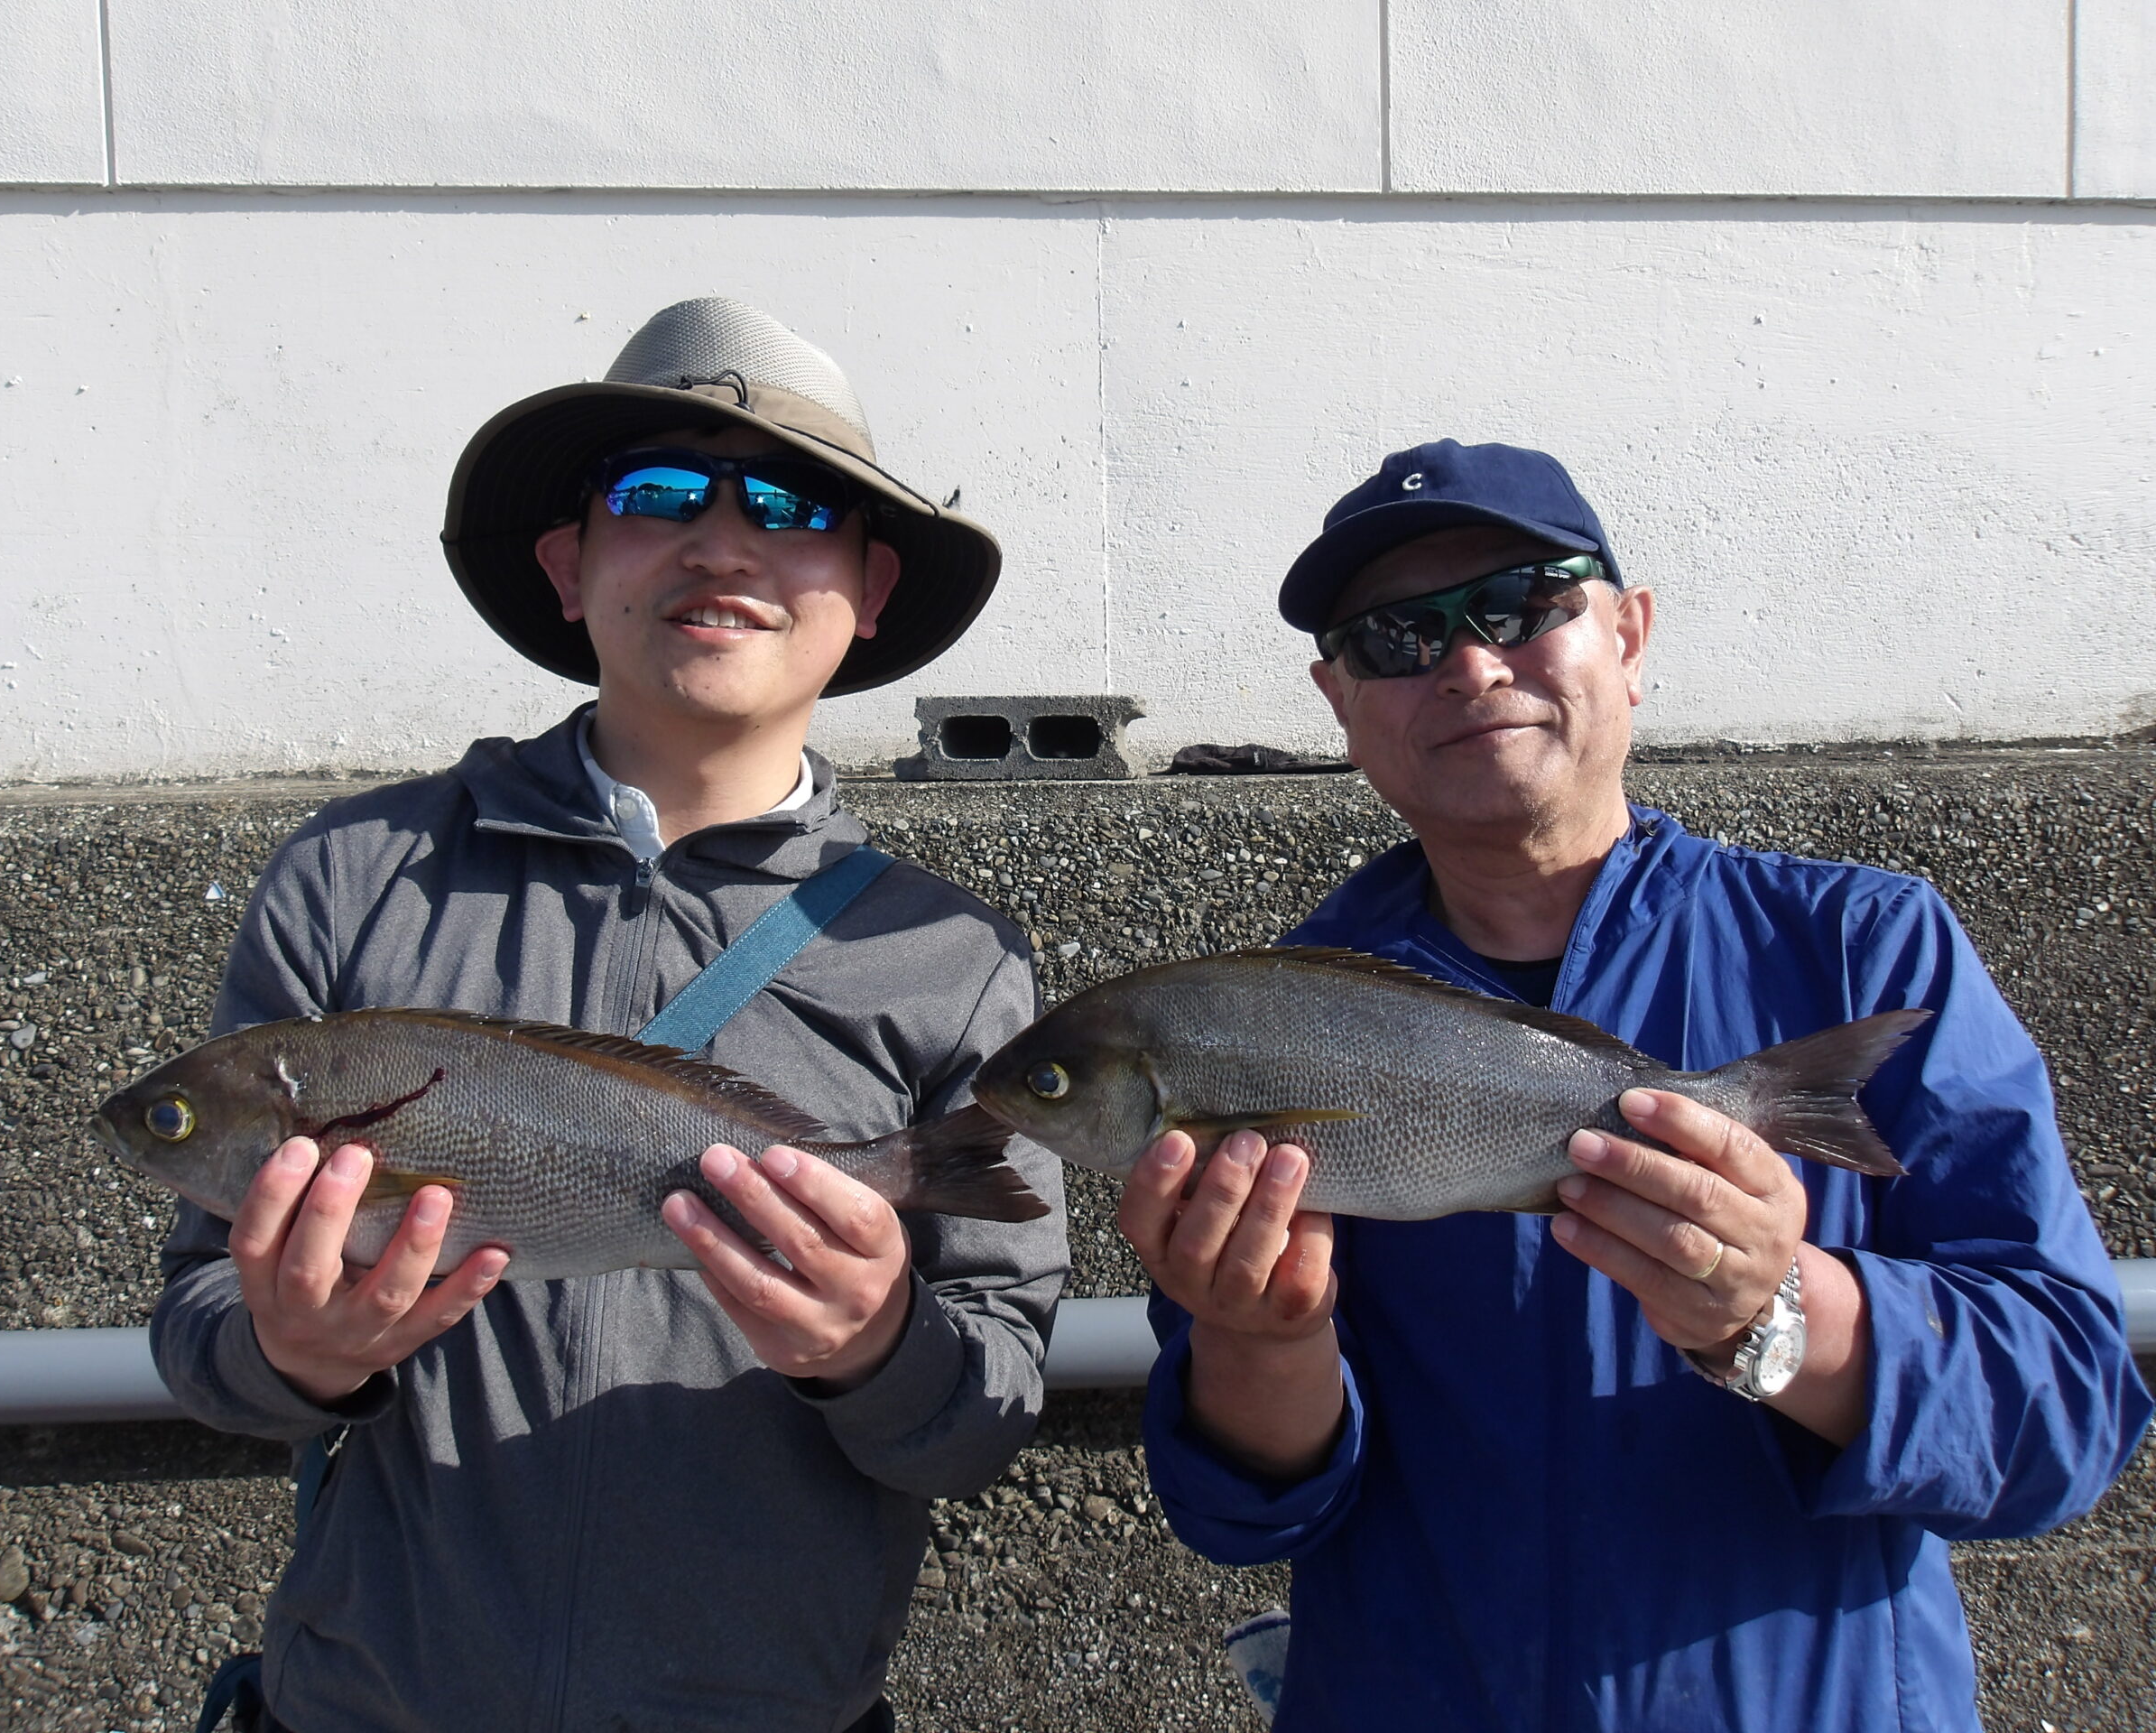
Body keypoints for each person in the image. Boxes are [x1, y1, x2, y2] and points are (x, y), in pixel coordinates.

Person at [1128, 438, 2151, 1729]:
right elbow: (1241, 1507)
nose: (1469, 664)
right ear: (1337, 701)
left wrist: (1786, 1313)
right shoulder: (1273, 1021)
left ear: (1630, 633)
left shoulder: (1866, 947)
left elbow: (2067, 1412)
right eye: (1396, 639)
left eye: (1522, 605)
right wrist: (1257, 1336)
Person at [150, 296, 1069, 1733]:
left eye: (792, 502)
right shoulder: (352, 879)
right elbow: (200, 1323)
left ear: (870, 588)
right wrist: (293, 1354)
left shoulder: (949, 954)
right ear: (569, 565)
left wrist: (877, 1347)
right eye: (655, 493)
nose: (723, 539)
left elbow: (987, 1412)